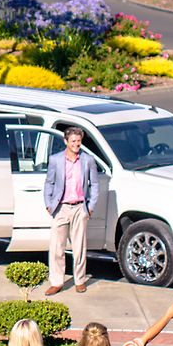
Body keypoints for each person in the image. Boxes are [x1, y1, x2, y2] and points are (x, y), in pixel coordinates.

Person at [41, 124, 104, 296]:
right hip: (61, 207)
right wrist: (49, 203)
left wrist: (90, 207)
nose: (77, 144)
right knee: (56, 247)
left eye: (79, 141)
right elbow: (49, 182)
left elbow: (94, 184)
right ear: (66, 141)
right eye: (73, 141)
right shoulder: (55, 160)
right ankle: (56, 282)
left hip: (79, 207)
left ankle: (80, 280)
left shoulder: (87, 160)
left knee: (79, 247)